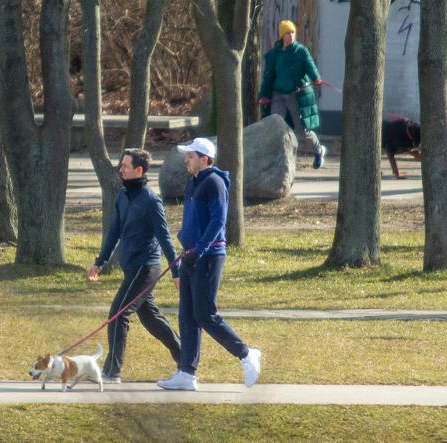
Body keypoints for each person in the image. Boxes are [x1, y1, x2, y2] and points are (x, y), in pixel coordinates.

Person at [156, 138, 261, 391]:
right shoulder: (194, 182)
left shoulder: (214, 183)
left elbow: (218, 221)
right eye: (187, 156)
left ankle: (246, 354)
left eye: (190, 156)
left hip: (209, 256)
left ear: (204, 159)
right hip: (192, 254)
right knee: (187, 316)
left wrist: (201, 249)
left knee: (205, 314)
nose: (186, 160)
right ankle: (187, 372)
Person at [87, 149, 181, 383]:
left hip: (146, 267)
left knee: (118, 315)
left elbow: (165, 237)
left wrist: (176, 271)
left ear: (139, 170)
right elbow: (114, 232)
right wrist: (100, 261)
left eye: (125, 166)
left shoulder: (150, 200)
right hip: (131, 268)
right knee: (151, 318)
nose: (121, 169)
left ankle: (111, 372)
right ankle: (186, 360)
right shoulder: (122, 196)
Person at [257, 19, 327, 169]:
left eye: (293, 32)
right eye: (287, 33)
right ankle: (278, 160)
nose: (291, 35)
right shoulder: (275, 54)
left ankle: (319, 150)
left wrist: (316, 78)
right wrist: (263, 95)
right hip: (278, 94)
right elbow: (268, 76)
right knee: (275, 126)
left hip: (296, 94)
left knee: (303, 131)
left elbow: (310, 66)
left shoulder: (301, 51)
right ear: (282, 35)